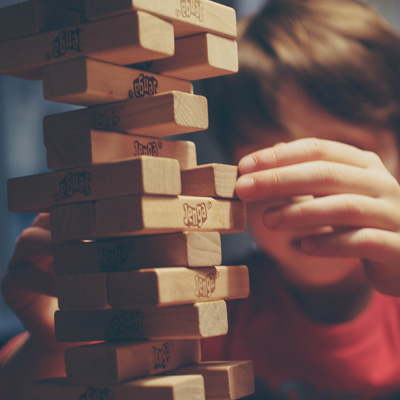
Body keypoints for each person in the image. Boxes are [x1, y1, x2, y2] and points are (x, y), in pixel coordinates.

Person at [3, 0, 400, 399]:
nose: (305, 194)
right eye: (272, 165)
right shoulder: (203, 308)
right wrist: (54, 345)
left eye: (341, 157)